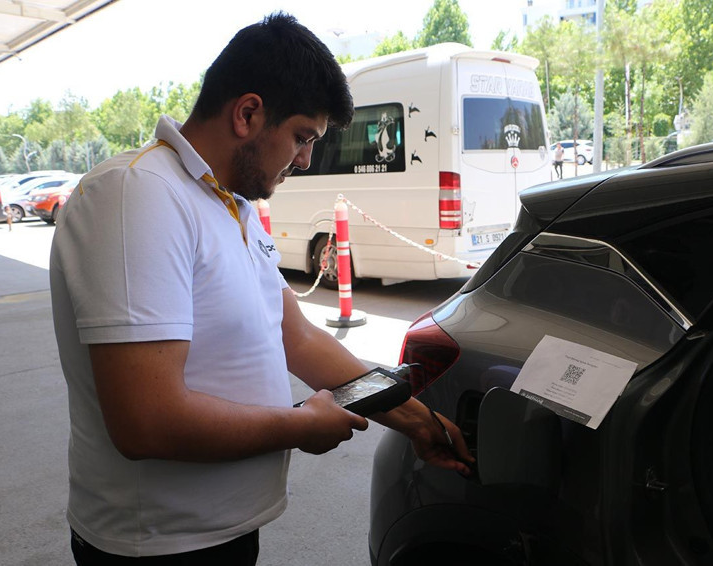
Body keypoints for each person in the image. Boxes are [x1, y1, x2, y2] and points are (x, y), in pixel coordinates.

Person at [50, 12, 472, 565]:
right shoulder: (138, 197)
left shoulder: (232, 204)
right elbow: (145, 420)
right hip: (156, 546)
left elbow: (295, 336)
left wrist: (420, 421)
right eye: (302, 136)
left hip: (222, 534)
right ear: (248, 113)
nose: (306, 159)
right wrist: (300, 425)